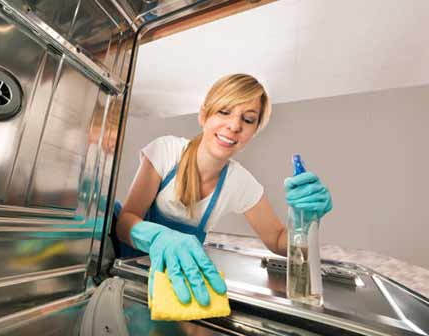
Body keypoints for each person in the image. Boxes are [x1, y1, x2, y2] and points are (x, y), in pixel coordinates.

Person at [115, 74, 332, 307]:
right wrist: (159, 237)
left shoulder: (239, 183)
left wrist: (305, 220)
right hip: (125, 271)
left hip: (175, 284)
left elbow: (278, 240)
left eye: (248, 120)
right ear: (204, 115)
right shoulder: (166, 151)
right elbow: (125, 222)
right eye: (224, 112)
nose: (235, 126)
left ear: (254, 132)